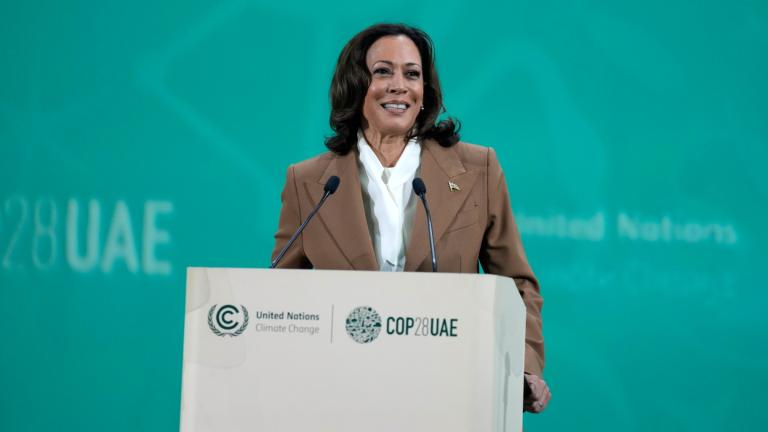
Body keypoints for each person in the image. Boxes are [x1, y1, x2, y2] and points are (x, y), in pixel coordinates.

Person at [271, 23, 551, 413]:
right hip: (342, 399)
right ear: (355, 85)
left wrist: (522, 368)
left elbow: (517, 284)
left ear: (425, 91)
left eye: (412, 73)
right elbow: (279, 297)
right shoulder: (309, 183)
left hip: (451, 394)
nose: (399, 85)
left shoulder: (477, 169)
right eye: (383, 71)